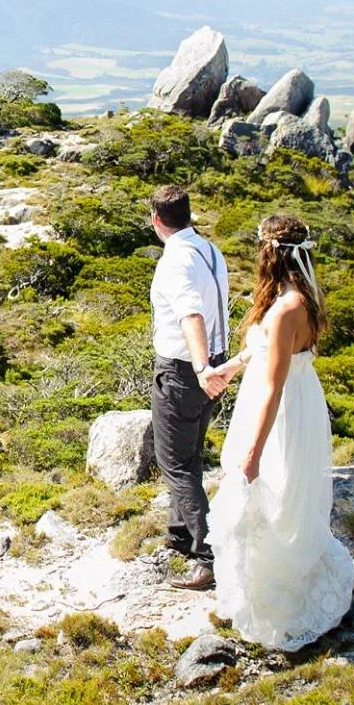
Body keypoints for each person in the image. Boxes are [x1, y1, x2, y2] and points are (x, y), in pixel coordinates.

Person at [199, 214, 354, 650]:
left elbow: (274, 385)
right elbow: (267, 350)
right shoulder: (301, 296)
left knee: (272, 493)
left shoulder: (287, 308)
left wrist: (252, 453)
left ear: (270, 254)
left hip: (282, 409)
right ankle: (264, 592)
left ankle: (279, 606)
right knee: (283, 496)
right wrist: (232, 367)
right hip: (297, 398)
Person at [146, 184, 230, 592]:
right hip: (215, 364)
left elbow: (190, 314)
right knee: (190, 457)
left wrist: (200, 367)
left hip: (184, 371)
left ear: (156, 220)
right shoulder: (210, 251)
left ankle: (207, 556)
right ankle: (179, 534)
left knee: (175, 464)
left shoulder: (174, 262)